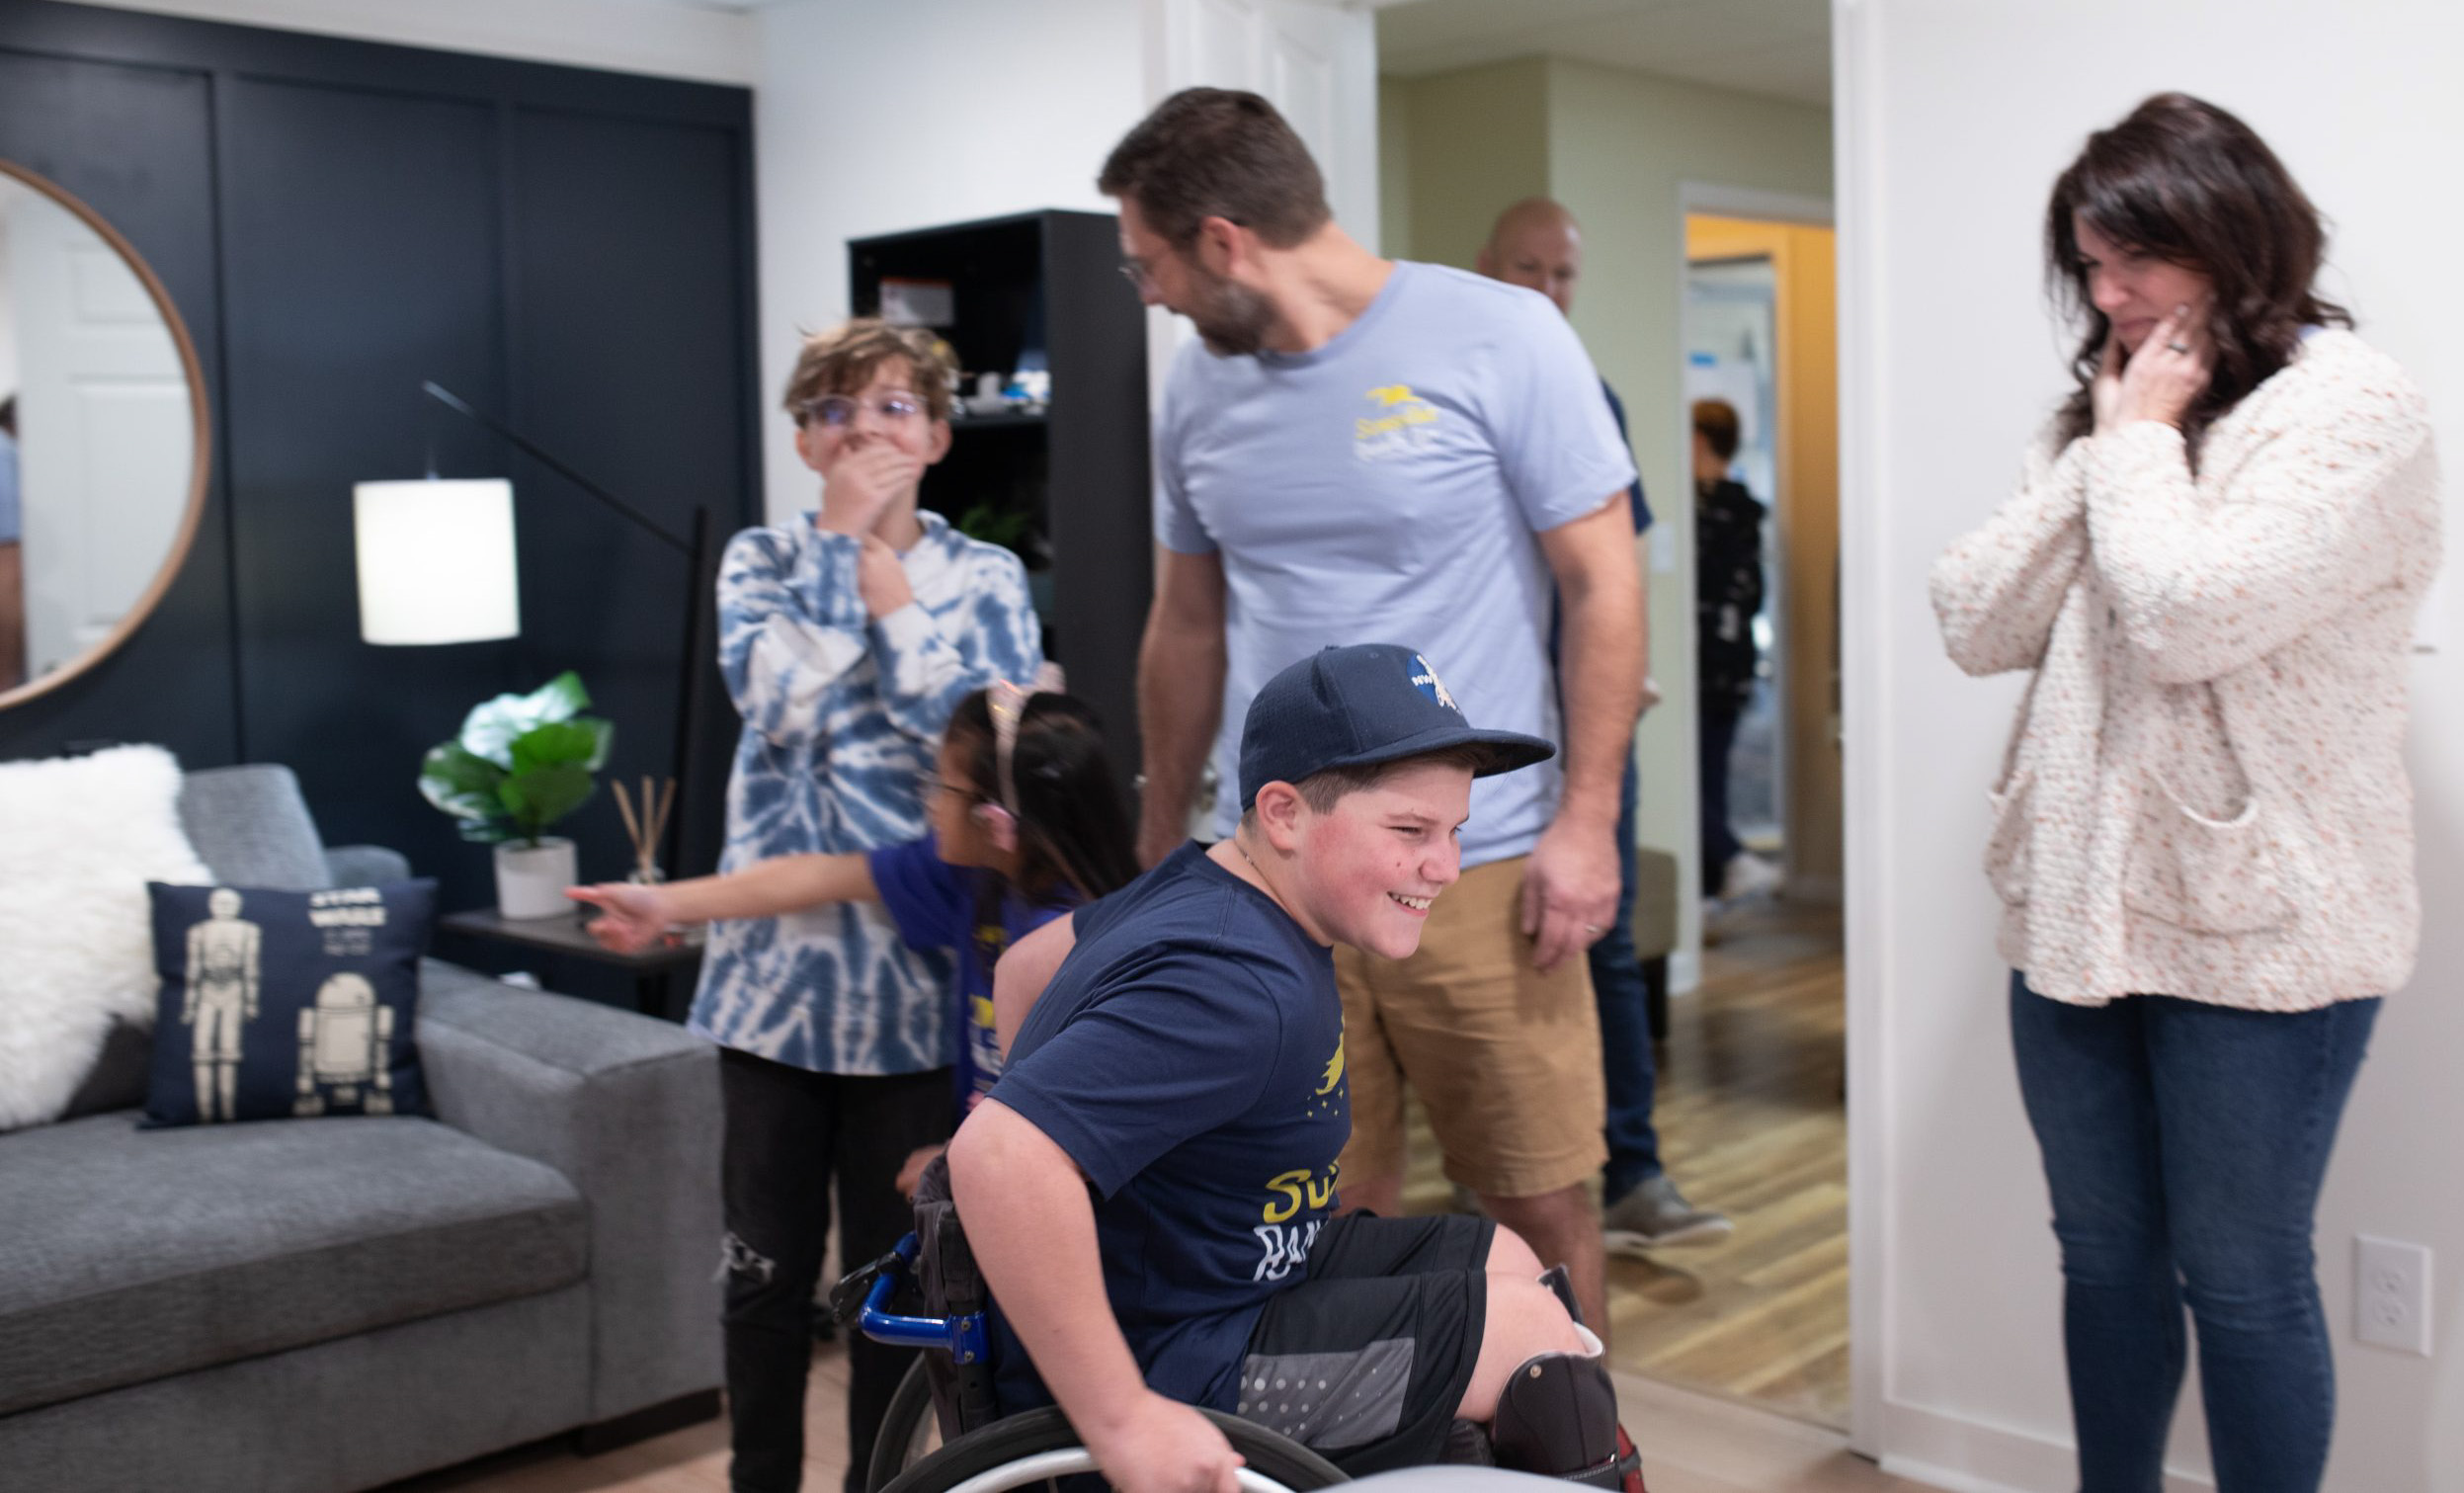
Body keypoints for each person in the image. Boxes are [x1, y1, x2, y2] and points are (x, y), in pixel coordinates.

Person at [1930, 92, 2438, 1493]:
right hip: (2078, 910)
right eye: (2085, 269)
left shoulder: (2354, 408)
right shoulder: (2106, 415)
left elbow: (2180, 613)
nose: (2103, 297)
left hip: (2264, 927)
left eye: (2129, 262)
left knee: (2241, 1274)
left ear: (2227, 234)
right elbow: (1971, 617)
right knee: (2100, 1257)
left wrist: (2136, 440)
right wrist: (2111, 439)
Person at [1110, 88, 1646, 1334]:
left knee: (1534, 1202)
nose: (1150, 294)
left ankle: (1569, 1460)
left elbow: (1603, 580)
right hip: (1277, 881)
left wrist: (1587, 821)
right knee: (1309, 1209)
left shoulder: (1501, 335)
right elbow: (1185, 624)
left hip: (1481, 868)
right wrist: (1157, 836)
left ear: (1226, 240)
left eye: (1151, 263)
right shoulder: (1197, 392)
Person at [950, 644, 1637, 1493]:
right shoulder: (1237, 986)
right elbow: (999, 1153)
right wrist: (1120, 1414)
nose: (1447, 867)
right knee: (1535, 1339)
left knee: (1505, 1255)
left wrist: (1116, 1190)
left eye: (1453, 831)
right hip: (1180, 1357)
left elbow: (1024, 968)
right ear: (1283, 813)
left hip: (1227, 1275)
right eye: (1411, 831)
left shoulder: (1205, 878)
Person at [689, 319, 1043, 1493]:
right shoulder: (759, 558)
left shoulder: (987, 579)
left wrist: (888, 597)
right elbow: (772, 704)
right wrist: (843, 557)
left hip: (918, 1006)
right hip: (769, 1002)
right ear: (803, 439)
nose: (866, 431)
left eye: (894, 408)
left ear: (940, 435)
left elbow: (983, 743)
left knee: (900, 1293)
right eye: (838, 409)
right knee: (764, 1278)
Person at [572, 677, 1136, 1188]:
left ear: (994, 821)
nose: (931, 805)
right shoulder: (973, 881)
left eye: (943, 789)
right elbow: (818, 875)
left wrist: (957, 1163)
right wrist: (661, 904)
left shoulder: (1079, 945)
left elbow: (1082, 1124)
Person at [1475, 197, 1728, 1252]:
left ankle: (1630, 1169)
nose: (1546, 290)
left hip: (1585, 728)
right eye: (1526, 269)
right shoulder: (1463, 385)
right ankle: (1511, 1181)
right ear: (1487, 269)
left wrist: (1624, 679)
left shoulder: (1594, 396)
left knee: (1607, 944)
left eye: (1563, 273)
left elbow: (1613, 575)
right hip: (1485, 732)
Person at [1689, 398, 1776, 915]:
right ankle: (1714, 880)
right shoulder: (1738, 511)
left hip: (1715, 669)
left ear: (1699, 441)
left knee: (1704, 774)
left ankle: (1728, 861)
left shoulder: (1720, 513)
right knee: (1707, 774)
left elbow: (1737, 593)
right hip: (1726, 665)